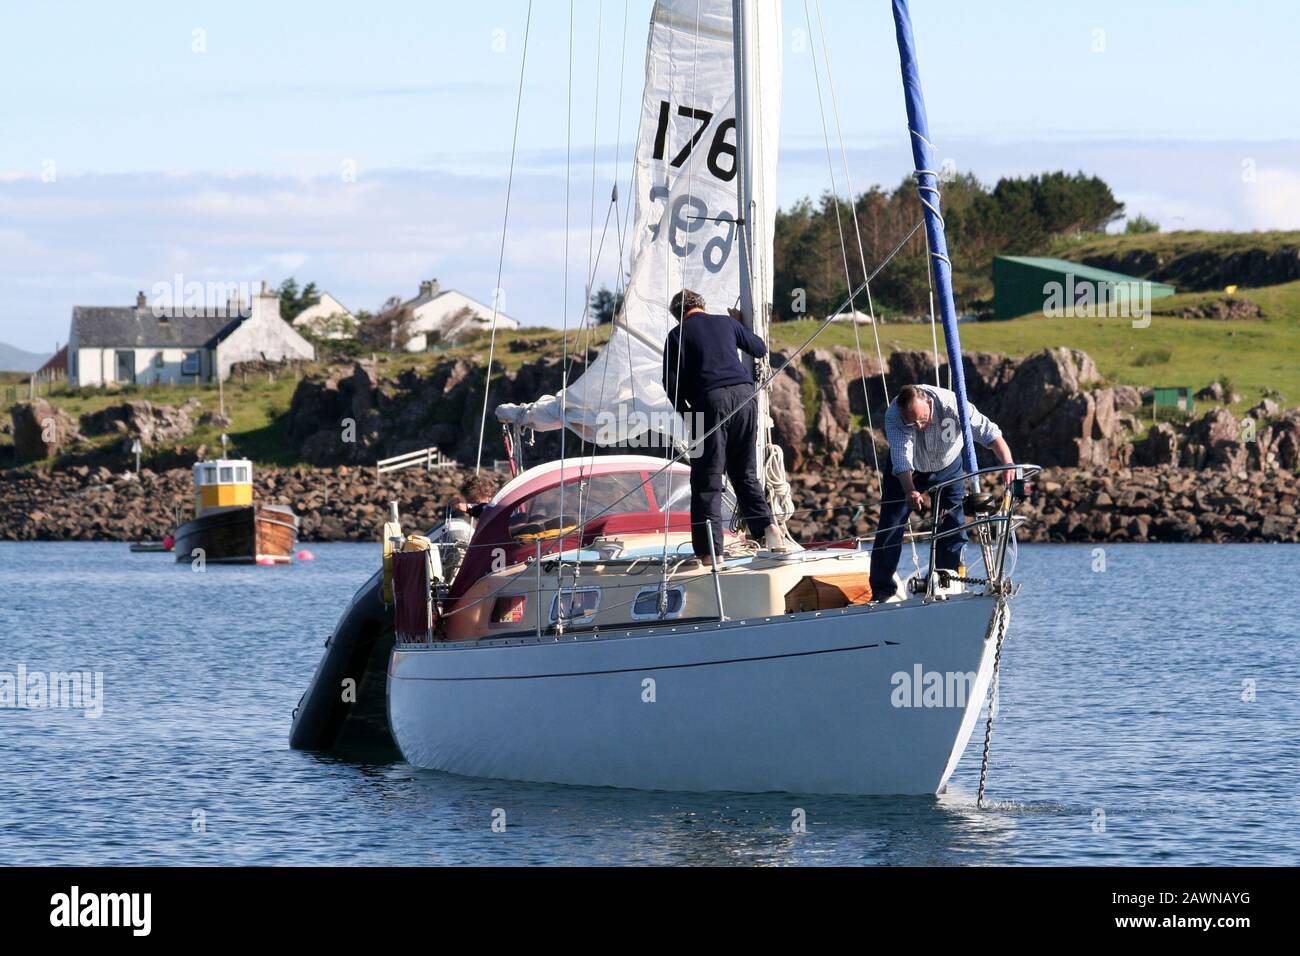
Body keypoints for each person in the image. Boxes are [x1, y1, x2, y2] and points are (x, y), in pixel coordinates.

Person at [661, 288, 785, 563]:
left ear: (679, 315)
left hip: (710, 403)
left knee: (707, 479)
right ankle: (769, 528)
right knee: (744, 473)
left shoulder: (677, 335)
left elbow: (671, 386)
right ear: (702, 305)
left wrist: (690, 416)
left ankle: (710, 554)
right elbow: (759, 348)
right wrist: (740, 324)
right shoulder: (727, 323)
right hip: (745, 397)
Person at [869, 383, 1015, 601]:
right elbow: (901, 456)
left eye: (923, 418)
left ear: (929, 402)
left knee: (954, 526)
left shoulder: (952, 404)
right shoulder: (895, 415)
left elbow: (988, 432)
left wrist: (1008, 463)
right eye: (912, 422)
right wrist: (909, 490)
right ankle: (882, 590)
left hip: (948, 466)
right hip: (908, 471)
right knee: (891, 525)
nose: (918, 426)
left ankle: (945, 582)